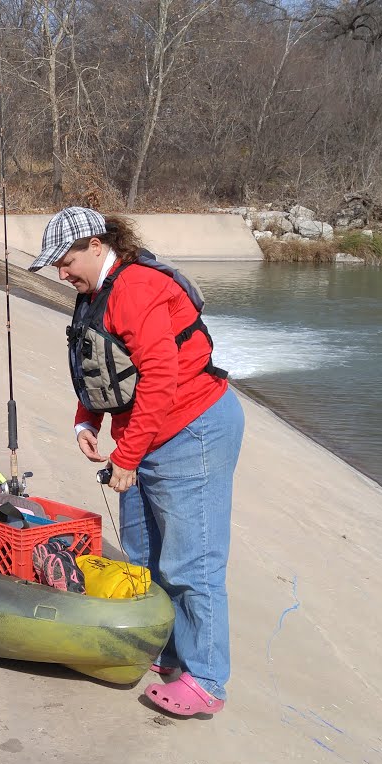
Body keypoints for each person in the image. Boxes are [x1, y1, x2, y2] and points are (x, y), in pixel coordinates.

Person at [29, 207, 244, 717]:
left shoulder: (137, 288)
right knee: (144, 556)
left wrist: (125, 457)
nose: (62, 273)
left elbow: (160, 379)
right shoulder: (94, 295)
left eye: (66, 260)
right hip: (147, 432)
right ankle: (167, 652)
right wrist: (87, 421)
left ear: (97, 244)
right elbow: (100, 362)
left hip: (193, 428)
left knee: (192, 562)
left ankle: (207, 679)